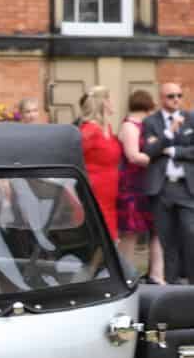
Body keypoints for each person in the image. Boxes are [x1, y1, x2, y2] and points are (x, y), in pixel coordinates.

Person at [141, 83, 194, 283]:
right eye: (171, 96)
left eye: (179, 95)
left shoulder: (191, 118)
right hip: (161, 188)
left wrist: (173, 151)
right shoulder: (150, 122)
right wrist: (169, 134)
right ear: (162, 98)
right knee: (167, 240)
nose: (176, 99)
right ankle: (173, 285)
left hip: (187, 187)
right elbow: (149, 151)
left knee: (190, 234)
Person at [118, 89, 162, 282]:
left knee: (156, 229)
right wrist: (159, 157)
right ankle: (126, 274)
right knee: (131, 232)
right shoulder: (130, 126)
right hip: (132, 186)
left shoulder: (143, 125)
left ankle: (155, 275)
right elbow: (133, 156)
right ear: (146, 106)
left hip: (147, 184)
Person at [79, 87, 121, 245]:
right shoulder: (89, 130)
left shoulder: (107, 128)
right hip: (96, 190)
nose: (112, 103)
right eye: (109, 99)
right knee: (103, 238)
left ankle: (101, 269)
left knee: (110, 239)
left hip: (110, 191)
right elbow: (74, 155)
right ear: (102, 103)